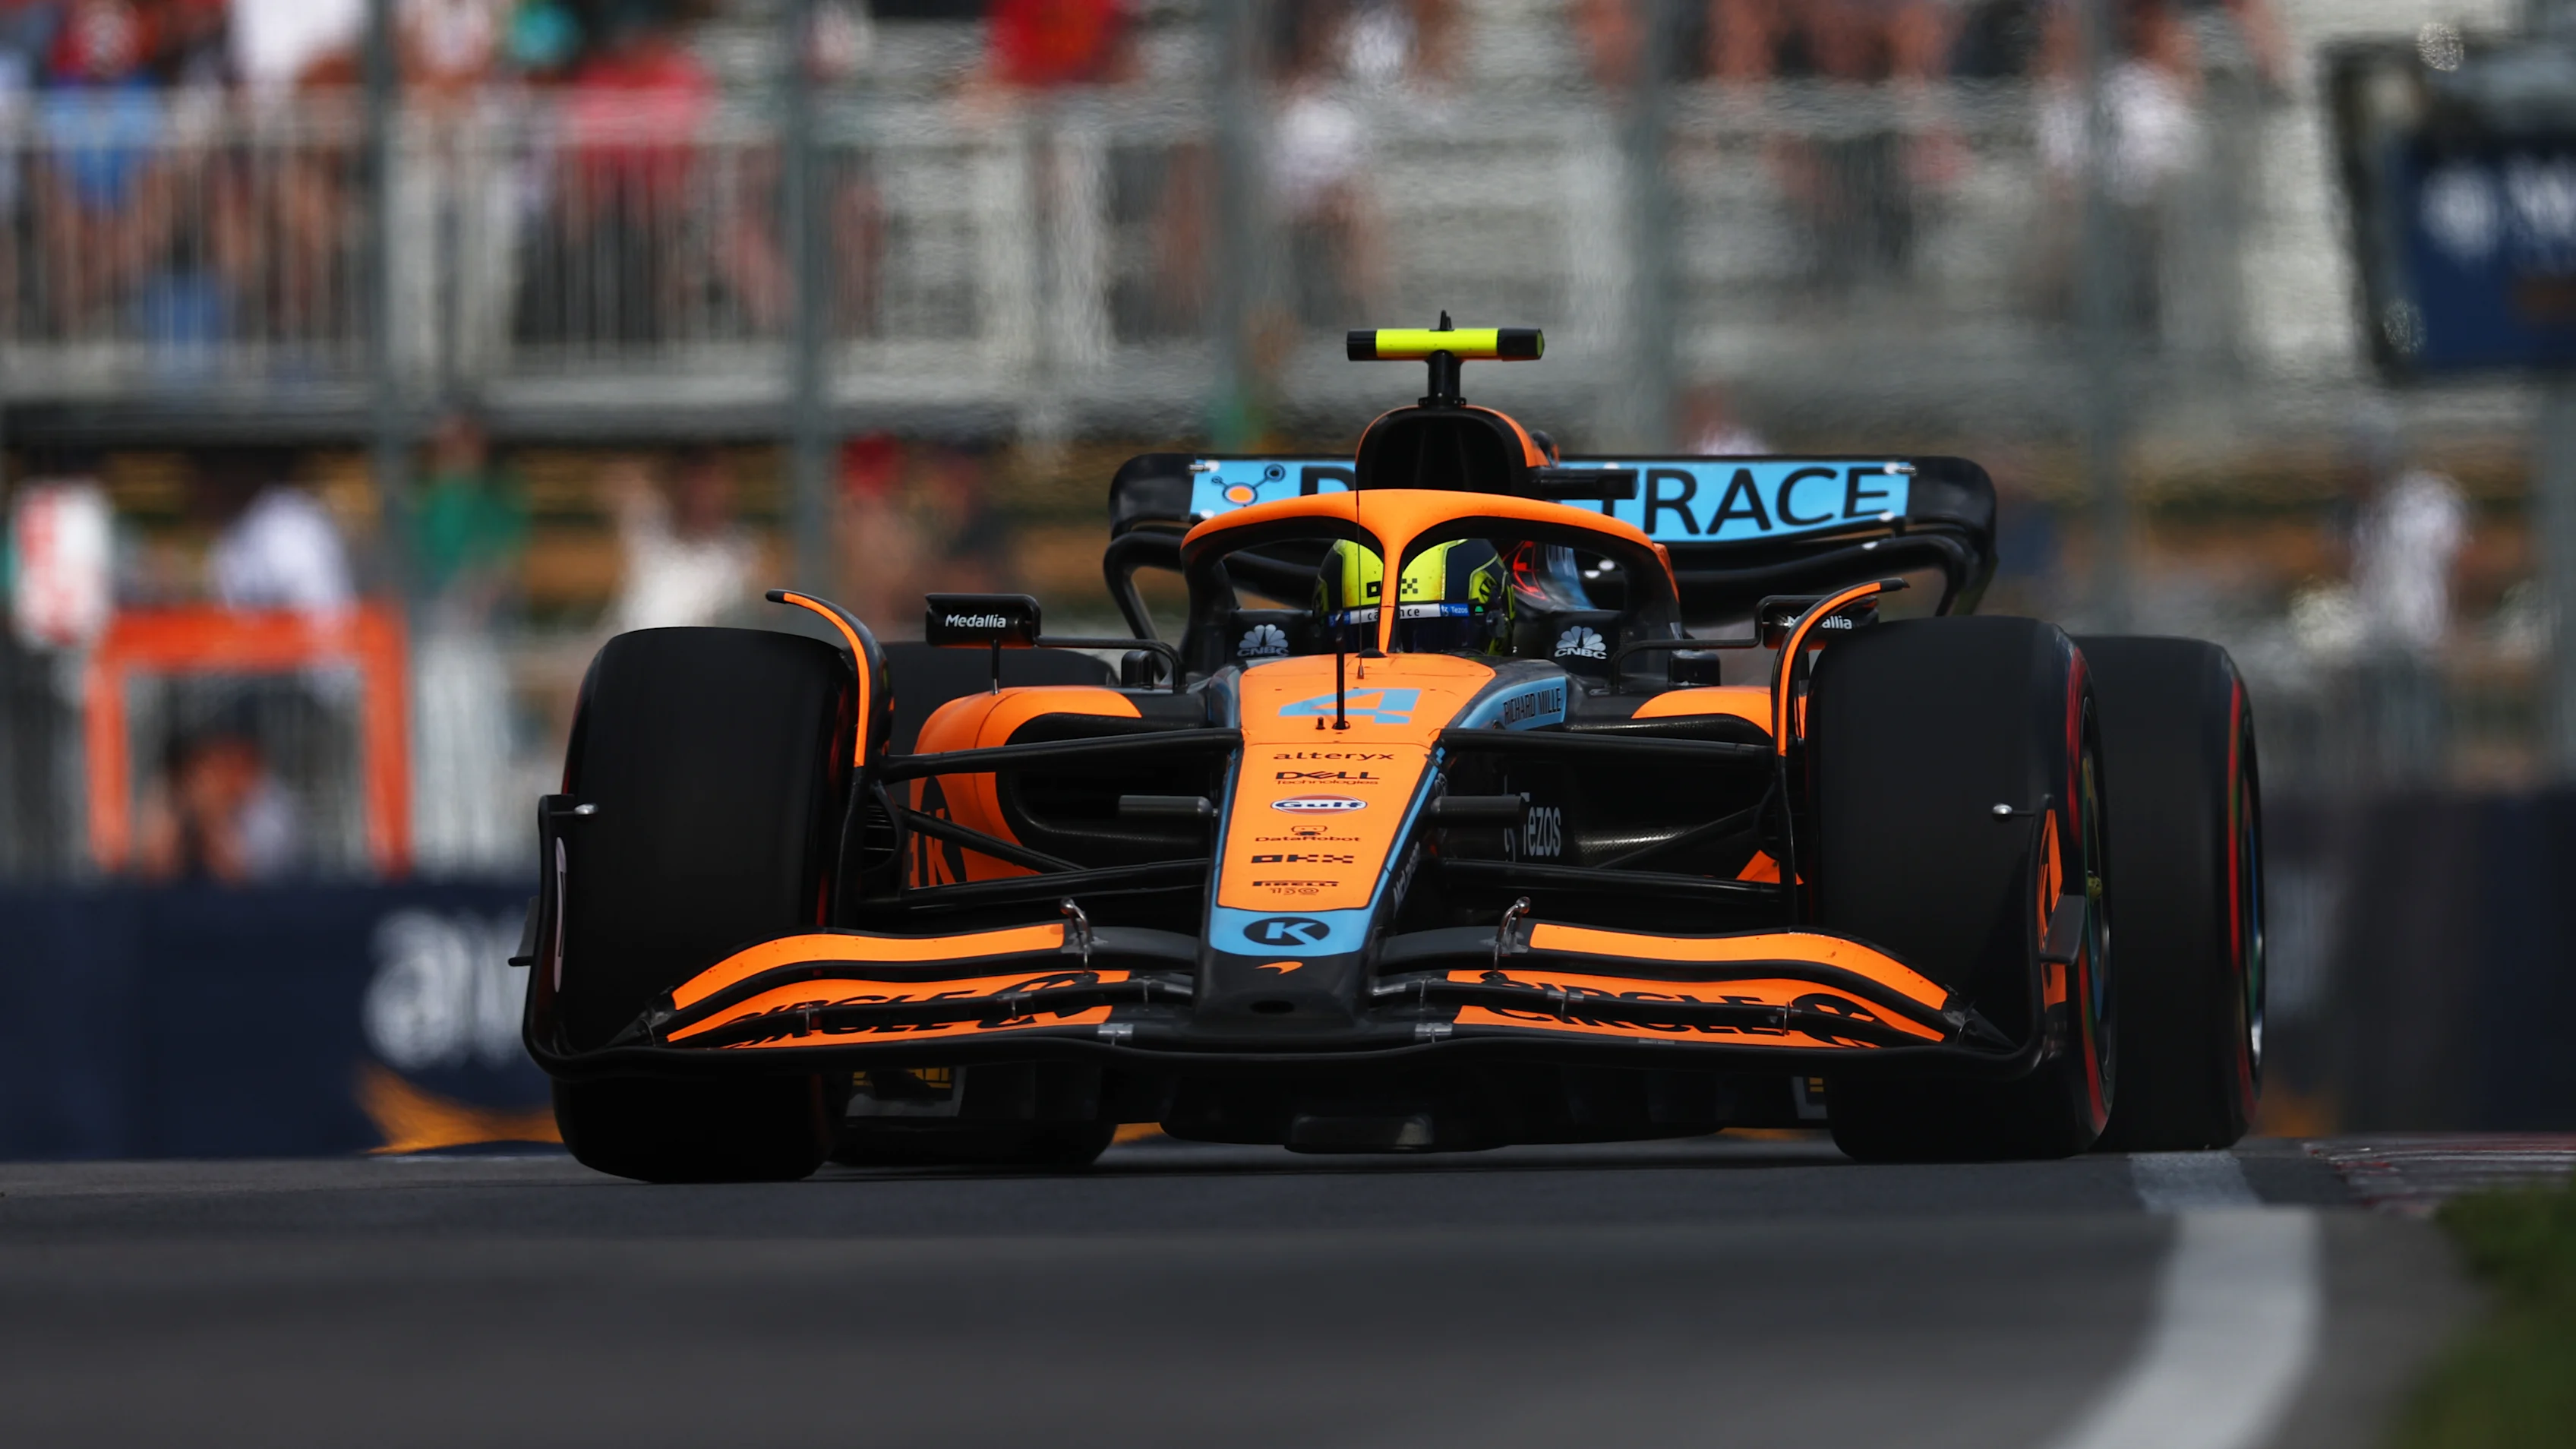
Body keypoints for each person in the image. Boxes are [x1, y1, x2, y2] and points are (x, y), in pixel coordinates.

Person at [607, 448, 757, 634]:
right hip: (629, 646)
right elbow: (617, 476)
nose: (701, 496)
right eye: (694, 484)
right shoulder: (649, 529)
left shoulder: (742, 553)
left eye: (710, 485)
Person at [134, 721, 304, 882]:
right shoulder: (172, 794)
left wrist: (210, 818)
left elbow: (236, 875)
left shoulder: (271, 805)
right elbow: (156, 869)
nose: (217, 773)